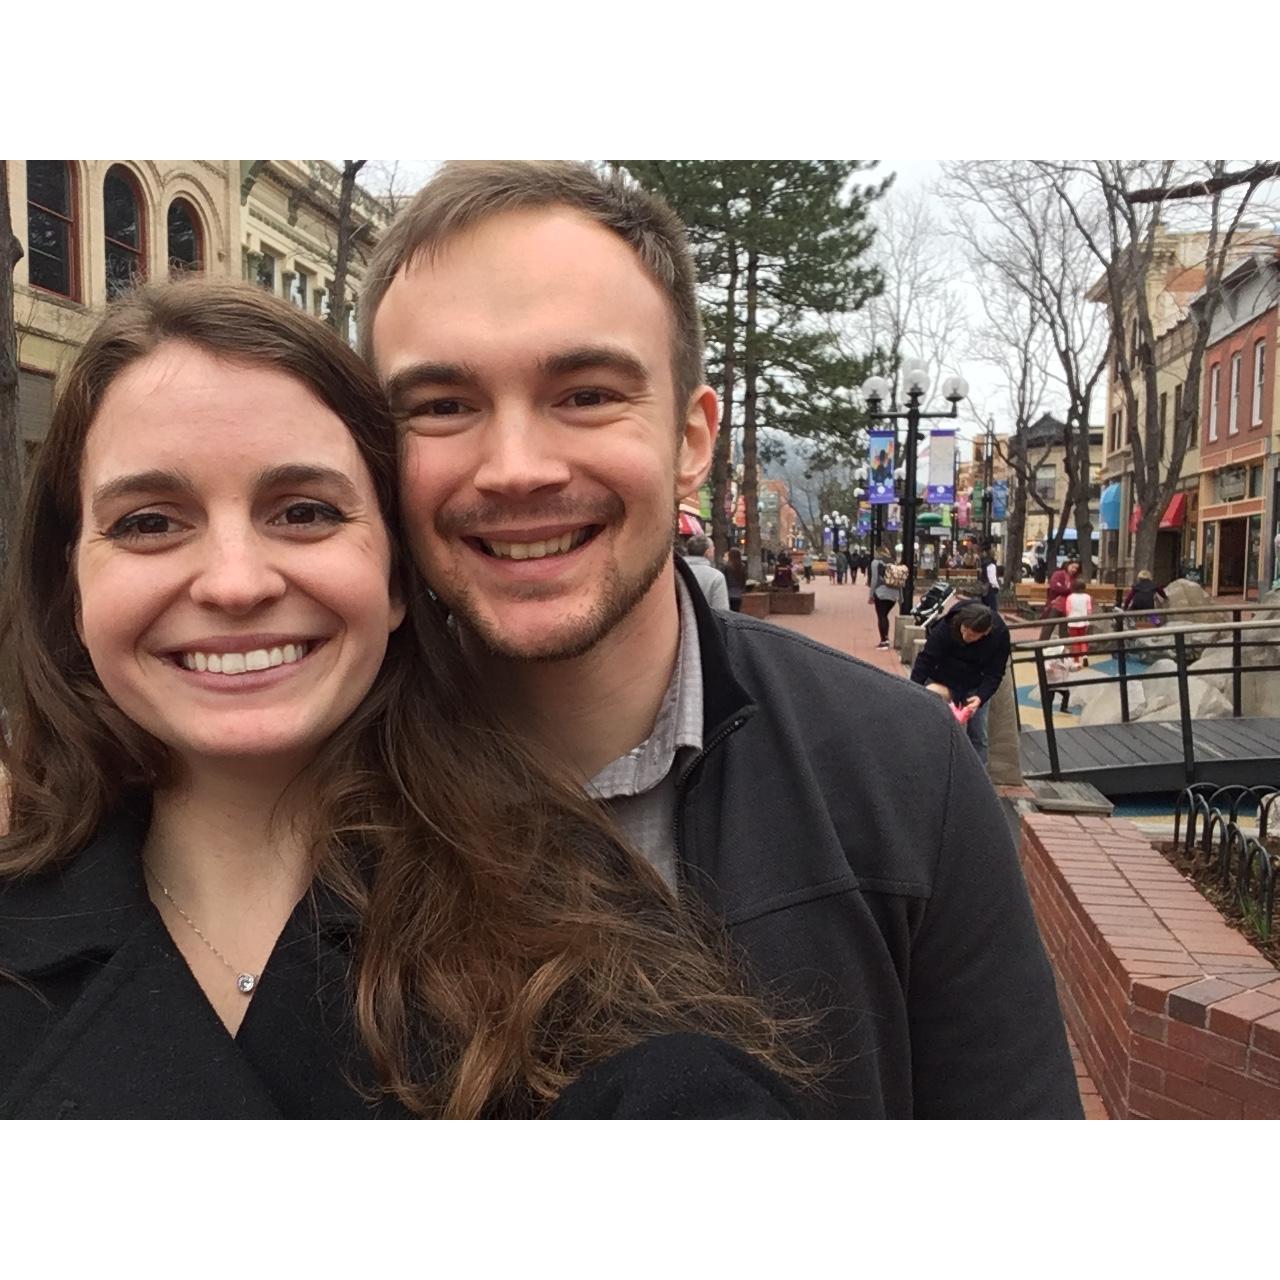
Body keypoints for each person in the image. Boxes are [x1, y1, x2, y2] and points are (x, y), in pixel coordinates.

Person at [362, 160, 1081, 1117]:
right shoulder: (308, 802)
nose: (516, 469)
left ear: (693, 440)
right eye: (443, 406)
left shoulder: (906, 778)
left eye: (585, 393)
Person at [0, 281, 814, 1121]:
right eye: (149, 523)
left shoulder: (596, 979)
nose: (235, 583)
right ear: (70, 586)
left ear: (394, 578)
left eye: (305, 512)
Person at [909, 602, 1011, 767]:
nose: (965, 637)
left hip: (975, 684)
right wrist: (913, 688)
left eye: (971, 636)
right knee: (929, 724)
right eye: (964, 631)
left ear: (985, 633)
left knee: (978, 734)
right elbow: (926, 659)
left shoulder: (999, 635)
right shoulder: (949, 624)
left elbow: (995, 673)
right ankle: (927, 766)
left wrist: (981, 697)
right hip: (942, 677)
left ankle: (978, 778)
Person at [681, 534, 729, 612]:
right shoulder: (716, 577)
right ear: (707, 552)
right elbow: (722, 612)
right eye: (713, 549)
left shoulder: (676, 572)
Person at [868, 545, 902, 650]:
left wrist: (871, 595)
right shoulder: (893, 562)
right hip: (894, 594)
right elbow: (899, 579)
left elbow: (874, 580)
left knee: (881, 616)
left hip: (881, 593)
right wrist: (900, 597)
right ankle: (886, 638)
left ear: (878, 552)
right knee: (885, 616)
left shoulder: (876, 562)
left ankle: (884, 641)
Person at [1039, 558, 1078, 642]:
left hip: (1066, 607)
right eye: (1073, 567)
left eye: (1076, 568)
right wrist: (1067, 590)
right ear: (1068, 565)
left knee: (1064, 630)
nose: (1074, 570)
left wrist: (1065, 589)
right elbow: (1055, 587)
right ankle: (1040, 647)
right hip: (1056, 604)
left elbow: (1073, 590)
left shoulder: (1074, 579)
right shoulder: (1059, 574)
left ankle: (1064, 649)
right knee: (1048, 627)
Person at [1065, 576, 1094, 667]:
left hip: (1073, 622)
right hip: (1083, 621)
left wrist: (1067, 618)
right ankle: (1085, 656)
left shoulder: (1070, 597)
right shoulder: (1087, 597)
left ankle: (1076, 660)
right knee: (1083, 640)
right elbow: (1089, 610)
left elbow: (1068, 610)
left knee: (1075, 641)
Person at [978, 538, 1000, 612]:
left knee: (985, 609)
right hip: (990, 589)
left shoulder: (983, 563)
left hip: (983, 589)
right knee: (993, 609)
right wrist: (997, 587)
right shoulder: (991, 564)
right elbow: (992, 579)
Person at [722, 547, 747, 613]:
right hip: (738, 593)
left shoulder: (726, 566)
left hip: (728, 593)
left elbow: (724, 579)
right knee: (736, 612)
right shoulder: (742, 566)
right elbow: (744, 579)